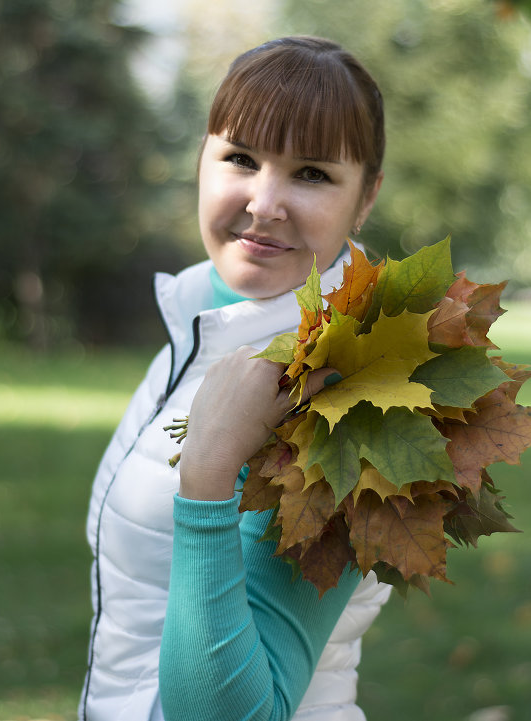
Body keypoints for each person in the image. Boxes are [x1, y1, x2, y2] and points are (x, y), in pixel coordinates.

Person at [79, 36, 392, 721]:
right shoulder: (206, 312)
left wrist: (209, 473)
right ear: (202, 157)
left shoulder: (353, 395)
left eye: (310, 173)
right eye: (241, 158)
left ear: (364, 198)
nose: (263, 202)